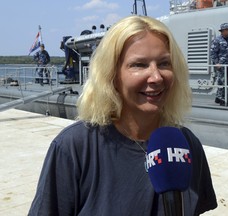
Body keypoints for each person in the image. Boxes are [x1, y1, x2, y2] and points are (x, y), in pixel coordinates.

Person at [28, 15, 217, 215]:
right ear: (112, 76)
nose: (156, 77)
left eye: (164, 63)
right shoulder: (74, 149)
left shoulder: (187, 145)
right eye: (139, 65)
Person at [210, 23, 228, 106]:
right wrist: (216, 63)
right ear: (223, 31)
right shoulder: (217, 40)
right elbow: (213, 53)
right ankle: (222, 99)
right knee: (222, 81)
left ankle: (218, 97)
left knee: (227, 81)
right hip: (221, 66)